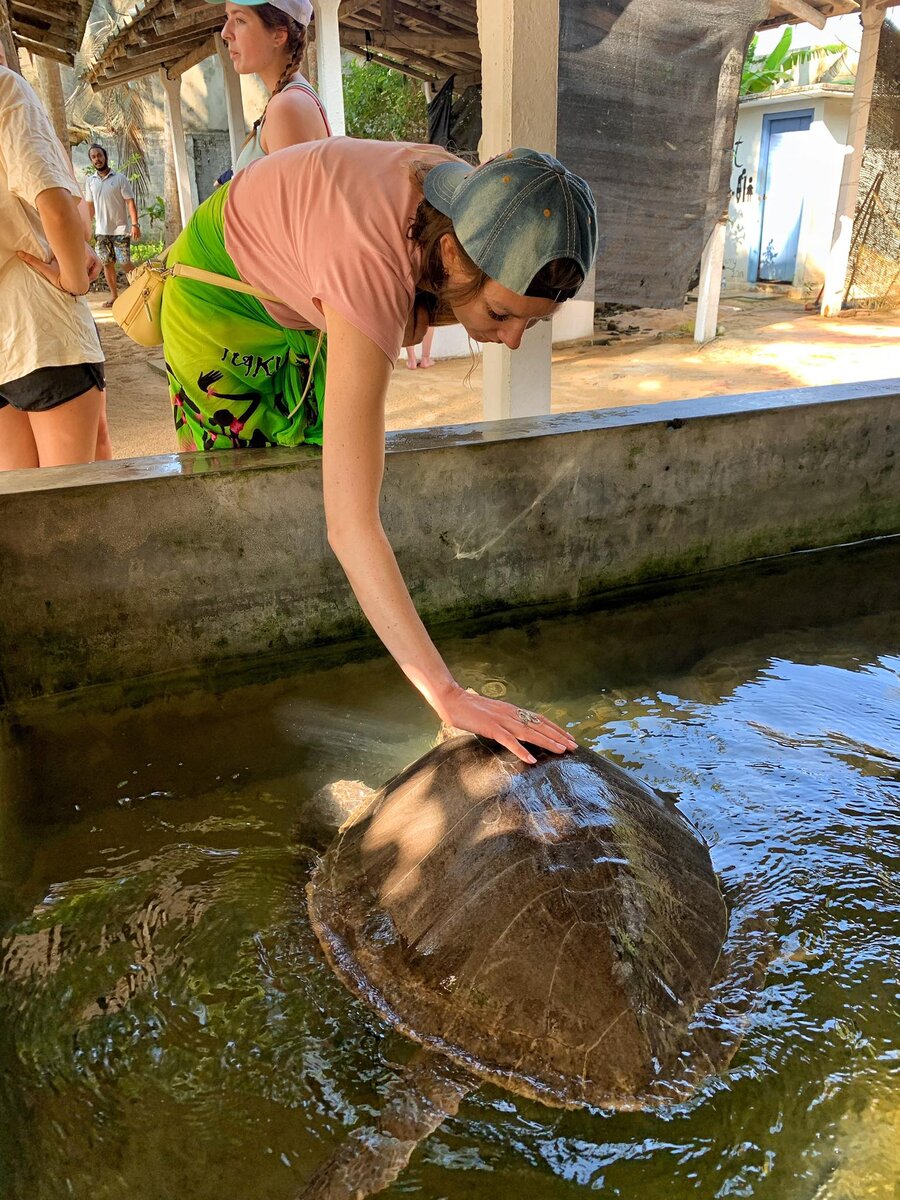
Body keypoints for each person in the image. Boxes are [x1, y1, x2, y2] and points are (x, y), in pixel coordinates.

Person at [160, 141, 597, 761]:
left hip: (295, 299)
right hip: (215, 298)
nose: (513, 340)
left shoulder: (478, 208)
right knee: (245, 483)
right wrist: (447, 694)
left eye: (533, 322)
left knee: (323, 449)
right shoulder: (370, 263)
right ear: (449, 253)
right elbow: (351, 522)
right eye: (501, 314)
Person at [0, 63, 108, 470]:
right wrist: (75, 279)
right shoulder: (5, 88)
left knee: (24, 509)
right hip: (42, 329)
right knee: (75, 507)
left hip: (5, 344)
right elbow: (55, 204)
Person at [216, 0, 330, 171]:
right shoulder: (289, 99)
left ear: (278, 35)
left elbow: (292, 198)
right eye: (227, 17)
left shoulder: (287, 106)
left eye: (240, 20)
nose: (225, 33)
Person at [84, 143, 140, 306]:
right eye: (93, 157)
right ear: (91, 160)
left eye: (99, 155)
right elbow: (90, 206)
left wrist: (135, 225)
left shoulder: (119, 179)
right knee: (107, 264)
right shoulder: (90, 181)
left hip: (120, 230)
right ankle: (115, 296)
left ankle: (142, 291)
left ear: (105, 157)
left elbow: (130, 202)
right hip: (102, 232)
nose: (97, 159)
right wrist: (86, 229)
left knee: (124, 262)